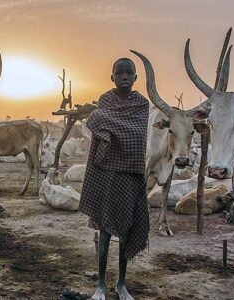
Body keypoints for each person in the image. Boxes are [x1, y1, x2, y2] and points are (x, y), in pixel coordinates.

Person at [79, 58, 149, 300]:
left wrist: (114, 129)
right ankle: (100, 284)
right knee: (105, 229)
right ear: (112, 77)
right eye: (119, 73)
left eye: (129, 72)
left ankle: (121, 284)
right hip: (107, 173)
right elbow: (98, 121)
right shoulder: (105, 102)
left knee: (126, 229)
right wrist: (115, 128)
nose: (124, 76)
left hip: (130, 175)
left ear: (136, 77)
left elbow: (137, 135)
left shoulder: (142, 105)